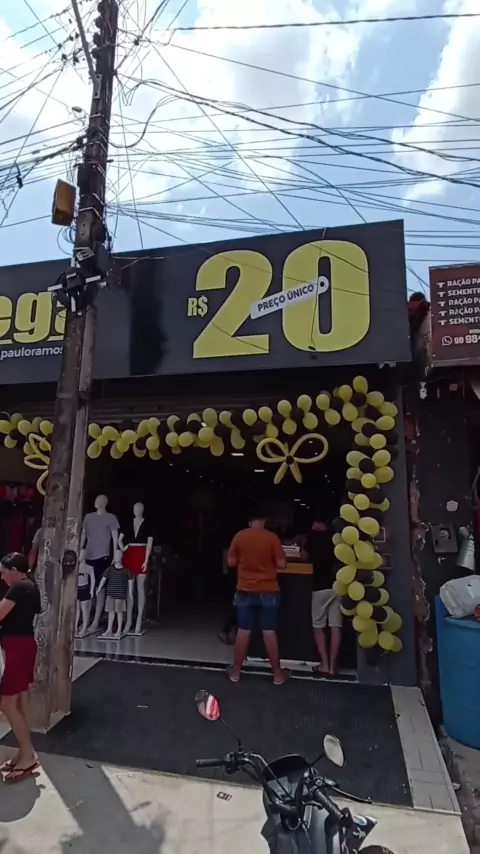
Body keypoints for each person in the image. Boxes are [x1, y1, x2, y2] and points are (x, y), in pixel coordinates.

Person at [226, 513, 289, 685]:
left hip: (245, 590)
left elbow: (231, 562)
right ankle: (277, 674)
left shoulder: (239, 536)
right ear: (264, 521)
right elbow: (282, 564)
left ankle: (236, 672)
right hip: (269, 590)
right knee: (269, 631)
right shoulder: (272, 538)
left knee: (243, 630)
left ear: (249, 521)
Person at [0, 552, 41, 783]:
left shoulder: (19, 588)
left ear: (15, 570)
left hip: (17, 647)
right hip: (23, 645)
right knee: (19, 701)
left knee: (7, 702)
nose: (3, 577)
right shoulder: (30, 586)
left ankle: (27, 755)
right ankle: (25, 751)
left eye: (4, 572)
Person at [303, 517, 342, 676]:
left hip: (320, 586)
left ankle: (324, 664)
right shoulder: (338, 537)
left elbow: (303, 557)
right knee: (336, 626)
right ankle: (333, 667)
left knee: (318, 625)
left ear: (320, 523)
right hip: (338, 586)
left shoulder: (313, 537)